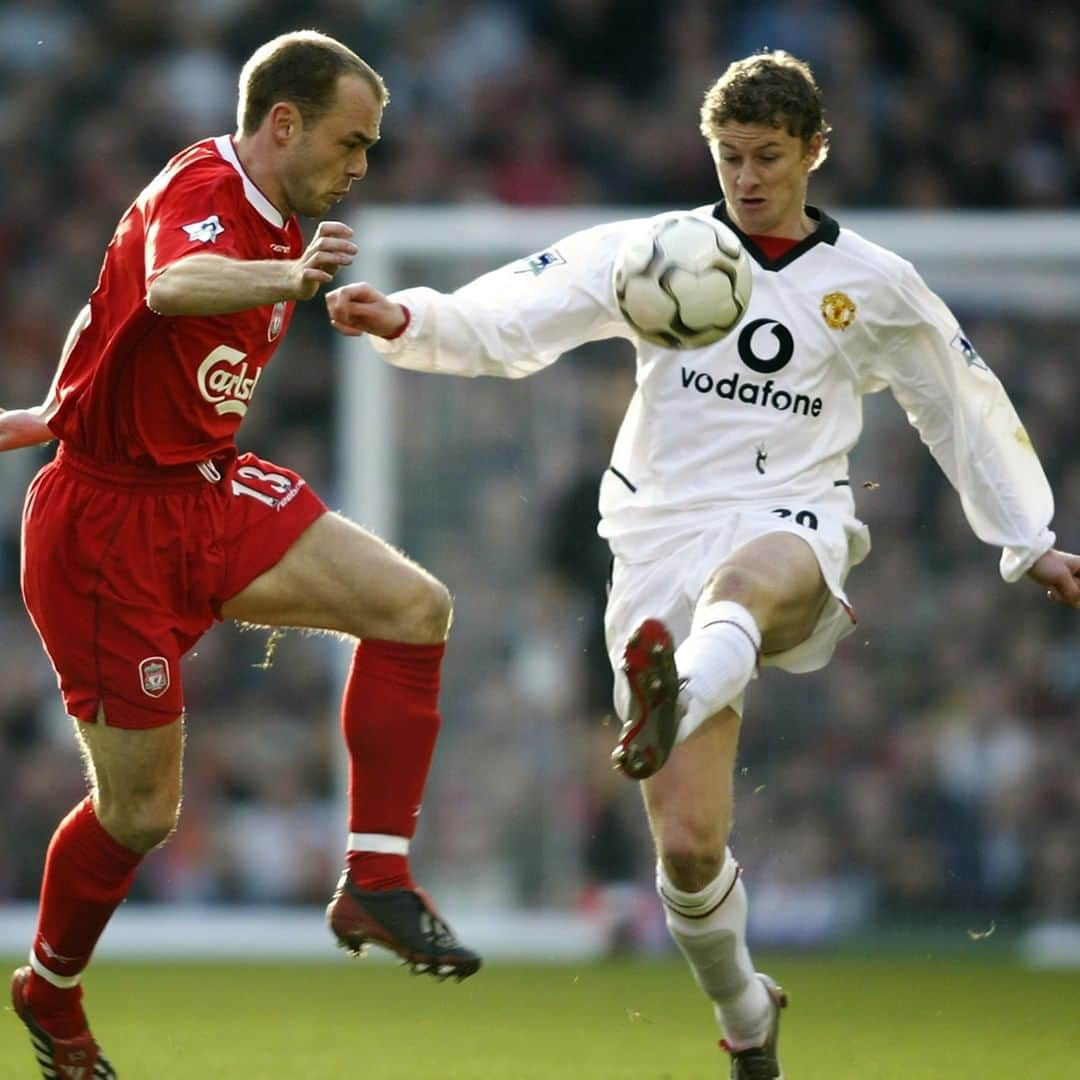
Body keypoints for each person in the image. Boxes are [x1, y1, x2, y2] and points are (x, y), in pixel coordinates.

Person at [324, 49, 1080, 1079]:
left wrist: (1025, 539)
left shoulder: (874, 284)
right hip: (655, 542)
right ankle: (745, 1008)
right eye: (729, 156)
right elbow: (517, 316)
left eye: (768, 156)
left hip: (790, 521)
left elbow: (959, 404)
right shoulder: (656, 254)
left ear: (816, 149)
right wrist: (409, 317)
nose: (748, 177)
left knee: (747, 583)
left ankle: (670, 689)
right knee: (685, 851)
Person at [1, 30, 480, 1080]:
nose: (360, 167)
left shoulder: (265, 221)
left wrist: (57, 402)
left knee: (414, 607)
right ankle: (50, 987)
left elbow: (123, 310)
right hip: (106, 532)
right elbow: (172, 284)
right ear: (283, 123)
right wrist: (294, 277)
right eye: (350, 143)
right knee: (142, 813)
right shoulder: (209, 182)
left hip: (203, 492)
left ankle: (377, 878)